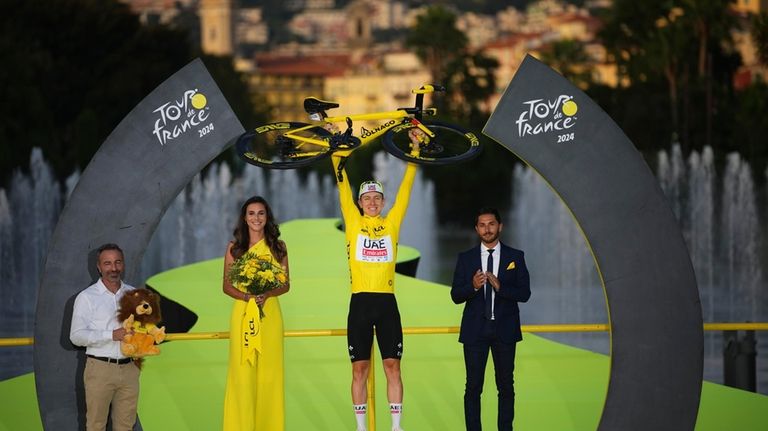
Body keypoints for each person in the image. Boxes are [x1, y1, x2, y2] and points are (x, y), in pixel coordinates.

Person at [331, 129, 423, 431]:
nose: (371, 202)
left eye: (376, 198)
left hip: (386, 303)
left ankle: (396, 427)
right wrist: (336, 153)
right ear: (359, 203)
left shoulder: (391, 223)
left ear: (383, 202)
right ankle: (360, 428)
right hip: (359, 301)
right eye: (366, 198)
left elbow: (407, 192)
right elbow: (342, 186)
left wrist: (415, 152)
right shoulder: (354, 222)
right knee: (360, 369)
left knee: (392, 366)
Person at [451, 207, 531, 431]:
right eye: (482, 225)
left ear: (500, 226)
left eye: (491, 224)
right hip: (475, 330)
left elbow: (525, 294)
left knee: (506, 386)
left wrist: (501, 286)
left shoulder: (516, 257)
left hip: (505, 330)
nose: (487, 229)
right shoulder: (465, 258)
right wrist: (473, 287)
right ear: (477, 229)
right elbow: (455, 295)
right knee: (473, 387)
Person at [221, 196, 290, 431]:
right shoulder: (234, 248)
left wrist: (267, 293)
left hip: (270, 315)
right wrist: (247, 297)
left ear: (267, 217)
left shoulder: (278, 247)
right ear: (244, 217)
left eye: (261, 213)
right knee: (242, 375)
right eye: (251, 213)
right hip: (242, 314)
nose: (256, 218)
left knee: (270, 375)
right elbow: (227, 286)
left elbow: (286, 284)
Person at [70, 243, 139, 431]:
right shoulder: (86, 297)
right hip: (99, 369)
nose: (113, 268)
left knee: (126, 426)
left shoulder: (134, 294)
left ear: (123, 264)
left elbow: (142, 327)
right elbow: (76, 336)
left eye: (117, 262)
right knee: (95, 426)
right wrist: (111, 335)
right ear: (99, 267)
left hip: (130, 369)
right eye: (107, 263)